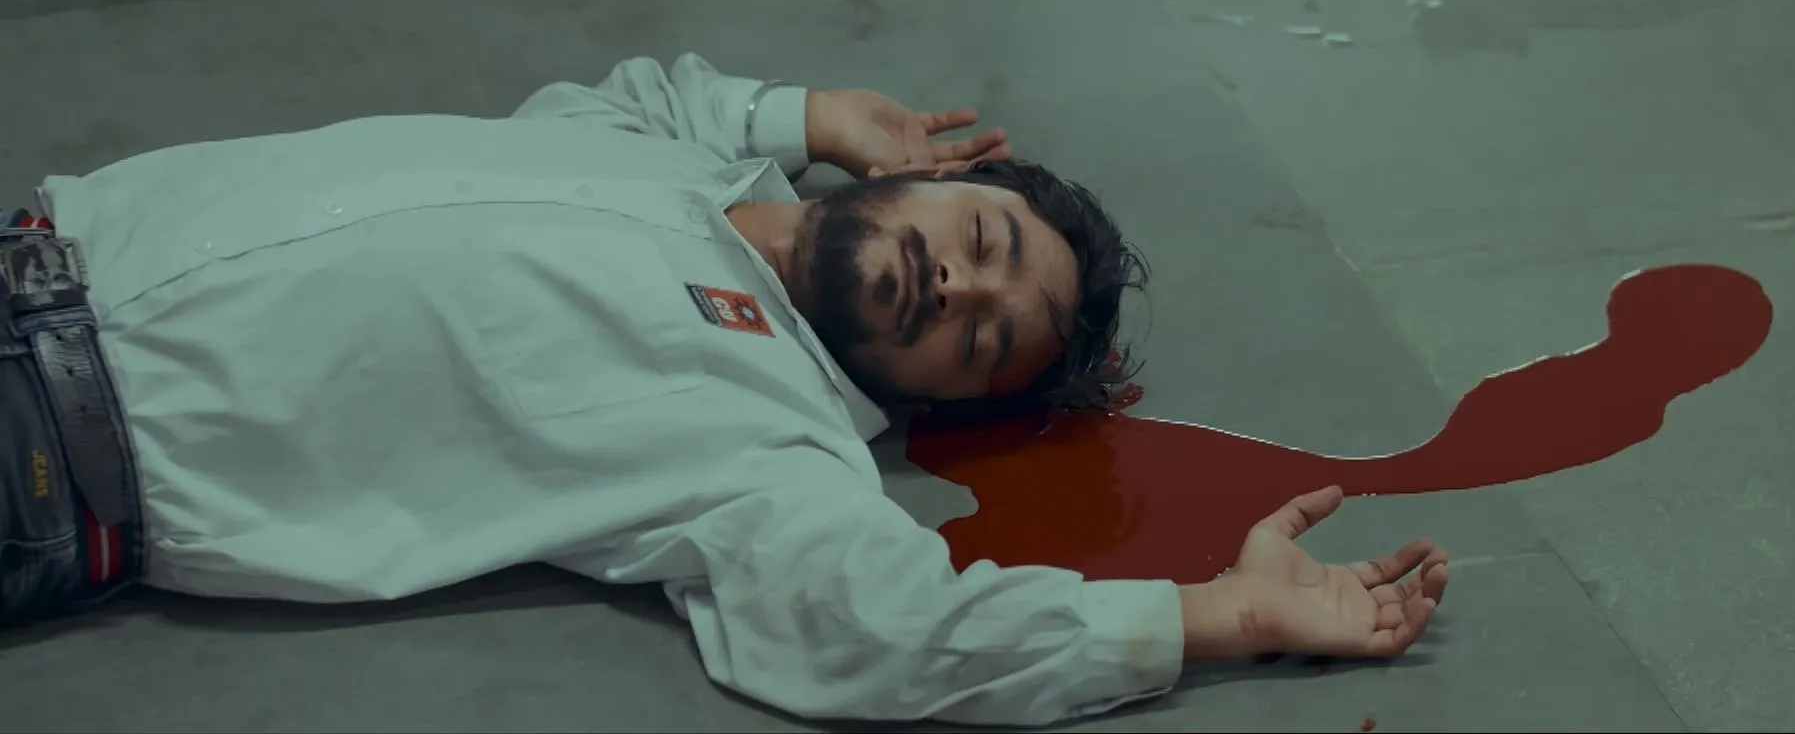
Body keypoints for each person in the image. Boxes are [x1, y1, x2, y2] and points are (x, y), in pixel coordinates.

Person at [0, 53, 1448, 726]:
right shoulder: (682, 163)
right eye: (984, 240)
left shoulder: (770, 450)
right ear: (929, 182)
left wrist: (1217, 618)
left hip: (50, 454)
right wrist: (801, 111)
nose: (961, 288)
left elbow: (908, 634)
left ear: (937, 401)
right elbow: (631, 100)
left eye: (982, 340)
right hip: (44, 240)